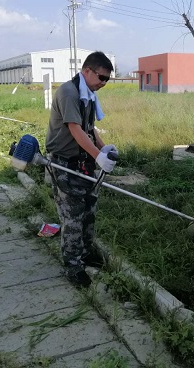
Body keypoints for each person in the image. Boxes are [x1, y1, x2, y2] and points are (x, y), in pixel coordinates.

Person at [45, 51, 117, 287]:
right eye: (101, 77)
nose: (103, 83)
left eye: (107, 79)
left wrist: (103, 149)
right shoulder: (69, 92)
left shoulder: (88, 93)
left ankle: (85, 254)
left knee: (89, 211)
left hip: (84, 163)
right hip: (65, 163)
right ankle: (73, 265)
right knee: (73, 216)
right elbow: (75, 128)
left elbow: (88, 127)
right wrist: (98, 157)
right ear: (87, 71)